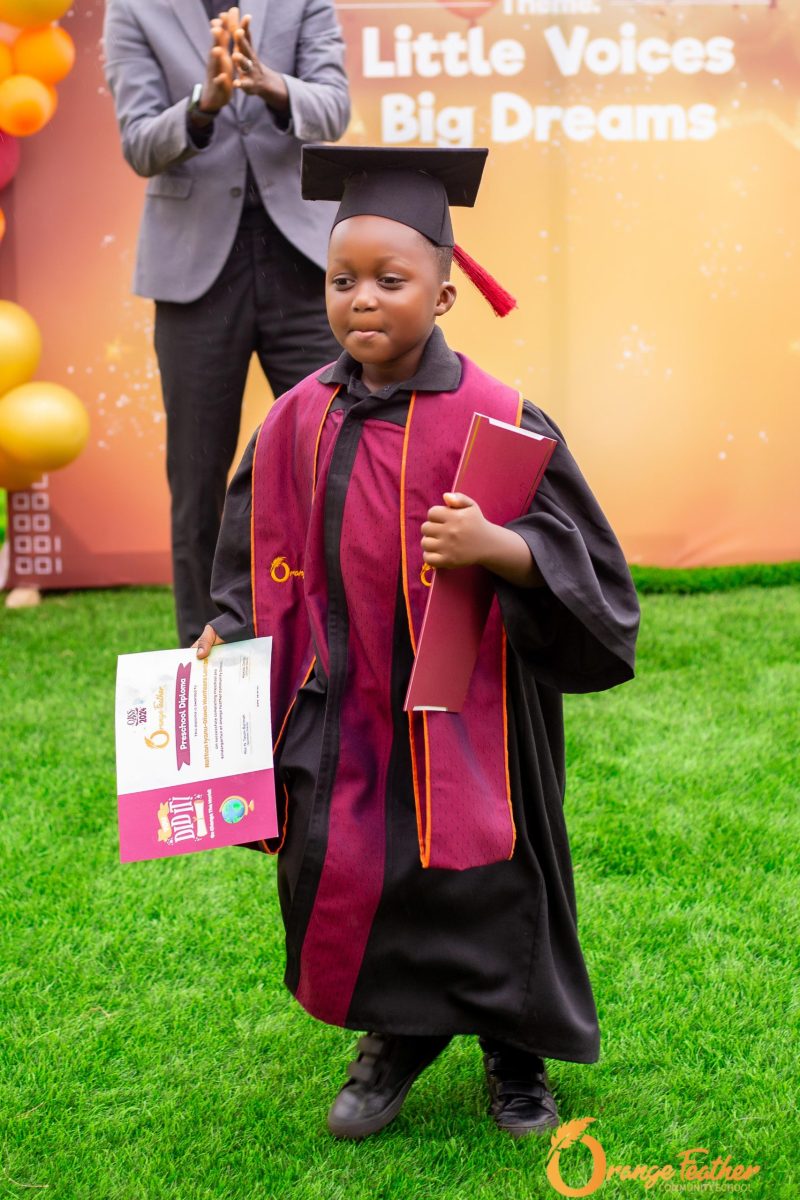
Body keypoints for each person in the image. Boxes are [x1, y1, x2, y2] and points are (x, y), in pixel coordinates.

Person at [194, 145, 640, 1140]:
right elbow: (254, 547)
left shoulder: (498, 417)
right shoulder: (297, 420)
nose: (361, 299)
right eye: (341, 279)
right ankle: (398, 1032)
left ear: (443, 294)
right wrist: (226, 626)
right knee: (360, 866)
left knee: (491, 873)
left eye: (389, 281)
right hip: (346, 703)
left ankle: (513, 1052)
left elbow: (597, 580)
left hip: (477, 704)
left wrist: (503, 548)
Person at [103, 2, 350, 647]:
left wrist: (270, 84)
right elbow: (139, 144)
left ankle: (340, 645)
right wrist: (202, 105)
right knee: (198, 476)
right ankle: (202, 656)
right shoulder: (133, 9)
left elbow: (333, 110)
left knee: (333, 456)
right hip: (193, 274)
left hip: (304, 264)